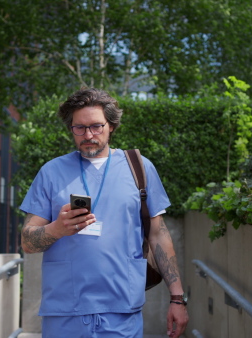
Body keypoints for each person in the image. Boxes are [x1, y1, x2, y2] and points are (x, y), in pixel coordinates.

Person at [20, 88, 189, 338]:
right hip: (65, 312)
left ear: (111, 126)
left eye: (96, 126)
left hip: (122, 311)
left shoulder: (139, 168)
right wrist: (56, 229)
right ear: (71, 129)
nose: (88, 134)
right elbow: (27, 242)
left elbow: (158, 235)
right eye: (80, 127)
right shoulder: (51, 172)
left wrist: (177, 298)